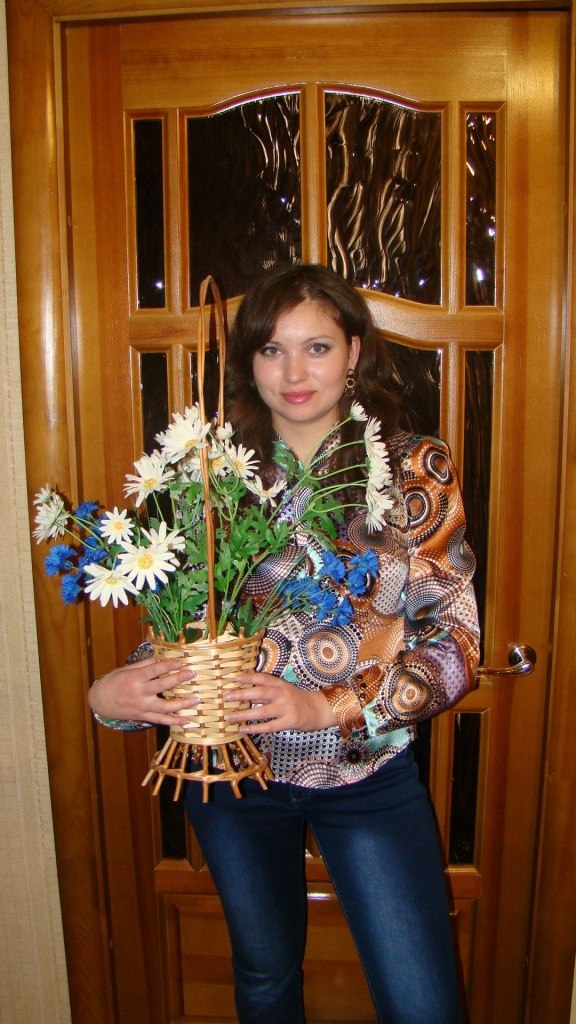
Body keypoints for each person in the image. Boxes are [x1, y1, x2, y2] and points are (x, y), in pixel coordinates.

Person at [89, 263, 480, 1024]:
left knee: (424, 1004)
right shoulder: (208, 474)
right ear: (250, 361)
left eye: (316, 347)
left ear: (354, 352)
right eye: (272, 349)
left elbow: (456, 641)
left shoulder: (414, 469)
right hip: (234, 776)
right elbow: (184, 628)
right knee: (265, 978)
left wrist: (327, 705)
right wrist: (113, 697)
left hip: (365, 774)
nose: (293, 373)